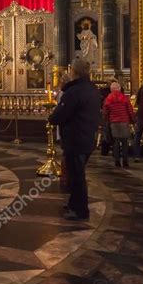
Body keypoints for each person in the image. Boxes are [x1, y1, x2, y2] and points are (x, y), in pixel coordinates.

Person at [49, 58, 100, 221]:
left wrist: (52, 116)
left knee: (77, 176)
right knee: (75, 174)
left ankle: (81, 210)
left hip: (75, 140)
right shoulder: (92, 89)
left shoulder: (74, 92)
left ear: (74, 73)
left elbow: (59, 115)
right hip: (87, 138)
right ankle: (73, 204)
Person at [103, 81, 134, 168]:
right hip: (124, 121)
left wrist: (105, 120)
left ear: (111, 90)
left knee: (116, 142)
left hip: (114, 122)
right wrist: (133, 120)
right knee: (124, 142)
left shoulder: (108, 99)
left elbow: (105, 112)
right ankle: (125, 161)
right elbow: (130, 110)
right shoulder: (124, 98)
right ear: (119, 89)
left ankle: (117, 161)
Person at [133, 80, 143, 161]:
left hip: (140, 114)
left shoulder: (141, 89)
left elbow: (138, 101)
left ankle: (136, 155)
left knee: (137, 135)